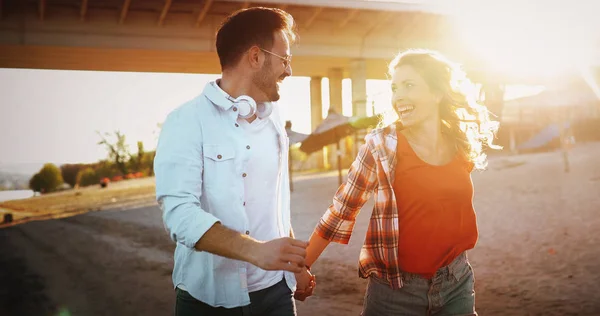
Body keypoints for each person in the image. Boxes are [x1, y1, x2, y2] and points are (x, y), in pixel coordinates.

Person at [297, 49, 500, 315]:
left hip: (456, 281)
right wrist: (303, 266)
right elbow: (342, 209)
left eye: (409, 85)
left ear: (437, 93)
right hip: (395, 292)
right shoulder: (381, 146)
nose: (398, 96)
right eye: (394, 88)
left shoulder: (459, 142)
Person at [154, 7, 314, 316]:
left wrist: (294, 266)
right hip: (209, 300)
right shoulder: (185, 121)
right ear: (255, 57)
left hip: (277, 293)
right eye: (285, 59)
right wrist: (257, 252)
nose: (289, 71)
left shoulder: (275, 118)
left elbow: (273, 205)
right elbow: (180, 215)